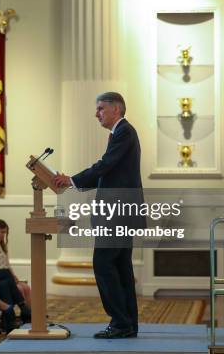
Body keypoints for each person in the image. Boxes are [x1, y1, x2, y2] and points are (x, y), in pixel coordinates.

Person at [54, 91, 144, 339]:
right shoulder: (121, 133)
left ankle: (120, 322)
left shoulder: (124, 131)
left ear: (117, 109)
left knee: (103, 264)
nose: (96, 114)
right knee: (120, 267)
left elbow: (104, 166)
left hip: (118, 214)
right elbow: (108, 172)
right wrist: (74, 182)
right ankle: (127, 324)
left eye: (101, 108)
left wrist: (71, 179)